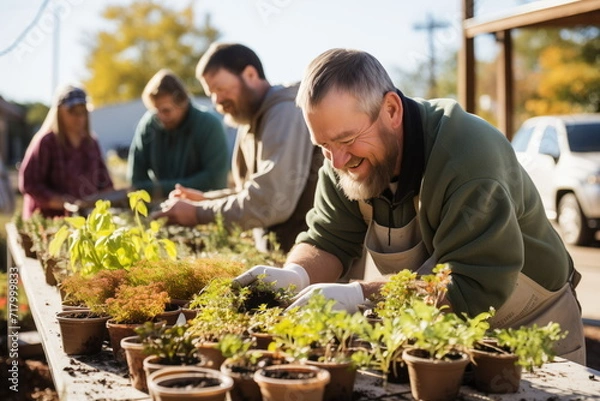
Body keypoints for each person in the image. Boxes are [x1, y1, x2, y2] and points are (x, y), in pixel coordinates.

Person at [234, 48, 586, 363]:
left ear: (391, 109)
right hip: (442, 330)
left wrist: (361, 296)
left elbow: (469, 287)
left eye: (347, 140)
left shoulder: (468, 156)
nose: (337, 161)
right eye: (323, 145)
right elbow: (328, 239)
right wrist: (296, 274)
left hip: (531, 326)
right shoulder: (340, 159)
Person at [154, 43, 323, 252]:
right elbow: (248, 192)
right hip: (281, 259)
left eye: (221, 89)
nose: (217, 100)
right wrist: (205, 200)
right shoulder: (249, 121)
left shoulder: (284, 113)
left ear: (250, 74)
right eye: (211, 93)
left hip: (309, 265)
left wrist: (198, 213)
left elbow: (268, 202)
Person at [127, 69, 230, 201]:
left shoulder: (209, 125)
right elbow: (136, 181)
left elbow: (215, 180)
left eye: (166, 111)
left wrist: (156, 189)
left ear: (182, 102)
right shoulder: (149, 125)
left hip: (202, 208)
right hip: (159, 207)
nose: (160, 117)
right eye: (155, 111)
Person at [18, 85, 114, 219]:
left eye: (83, 112)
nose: (79, 117)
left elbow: (105, 182)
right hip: (50, 220)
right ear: (59, 112)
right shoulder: (47, 143)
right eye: (73, 111)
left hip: (85, 218)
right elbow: (29, 183)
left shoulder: (91, 143)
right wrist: (60, 201)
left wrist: (109, 197)